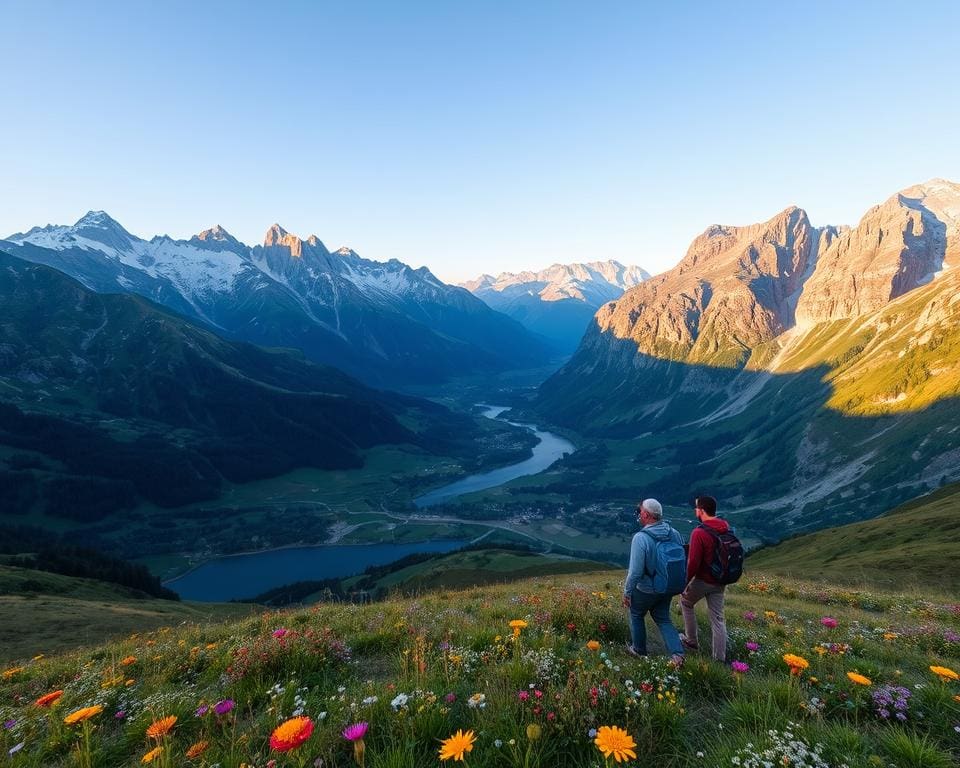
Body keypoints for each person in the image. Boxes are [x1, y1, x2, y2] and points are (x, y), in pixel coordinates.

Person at [622, 498, 685, 665]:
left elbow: (635, 572)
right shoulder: (675, 533)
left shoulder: (641, 538)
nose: (638, 514)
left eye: (640, 511)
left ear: (646, 515)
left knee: (636, 614)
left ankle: (639, 650)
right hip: (667, 586)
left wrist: (627, 592)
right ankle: (677, 654)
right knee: (663, 618)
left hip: (646, 589)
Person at [680, 495, 729, 661]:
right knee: (718, 618)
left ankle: (691, 640)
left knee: (686, 602)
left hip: (704, 579)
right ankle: (719, 658)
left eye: (696, 508)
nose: (695, 510)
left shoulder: (699, 533)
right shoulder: (725, 527)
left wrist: (684, 583)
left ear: (701, 510)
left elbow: (693, 562)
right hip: (721, 580)